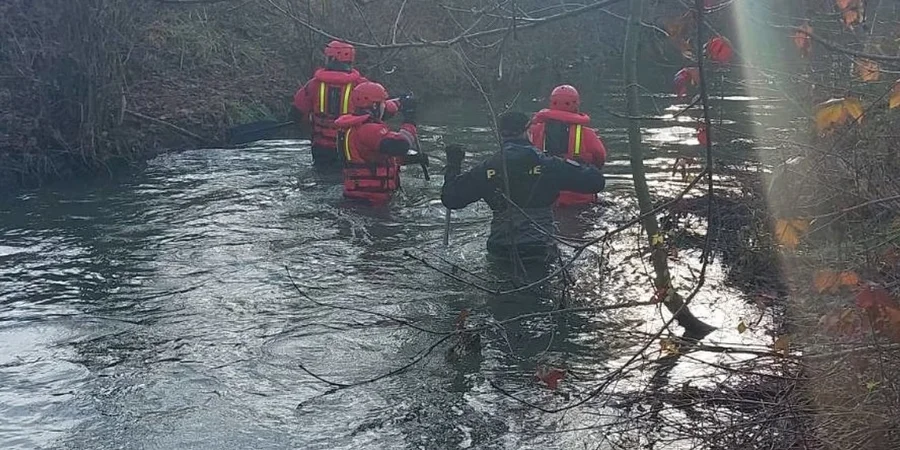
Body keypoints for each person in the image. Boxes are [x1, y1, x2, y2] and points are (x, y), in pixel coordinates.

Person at [441, 111, 605, 260]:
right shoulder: (548, 164)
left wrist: (453, 166)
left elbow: (451, 198)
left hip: (500, 250)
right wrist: (578, 163)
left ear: (500, 134)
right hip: (539, 249)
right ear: (528, 131)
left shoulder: (488, 167)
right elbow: (596, 182)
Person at [291, 40, 401, 167]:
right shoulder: (361, 85)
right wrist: (398, 104)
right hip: (348, 146)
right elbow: (382, 112)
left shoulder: (313, 85)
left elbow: (295, 113)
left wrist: (310, 127)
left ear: (332, 58)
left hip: (321, 148)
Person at [334, 82, 426, 205]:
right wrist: (409, 121)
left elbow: (373, 159)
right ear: (375, 106)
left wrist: (410, 160)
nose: (384, 106)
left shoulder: (352, 126)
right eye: (382, 103)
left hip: (357, 197)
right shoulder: (369, 130)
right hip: (372, 202)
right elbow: (400, 146)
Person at [528, 85, 607, 207]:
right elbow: (600, 159)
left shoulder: (534, 131)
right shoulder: (587, 134)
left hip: (545, 199)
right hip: (580, 198)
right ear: (576, 104)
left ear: (551, 103)